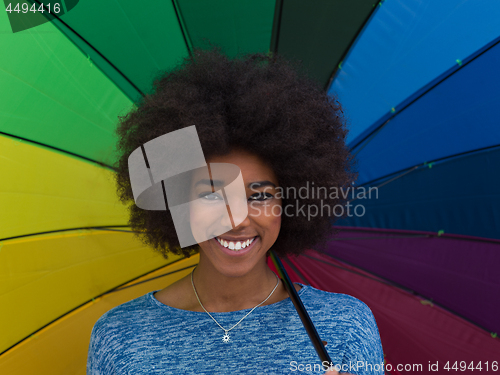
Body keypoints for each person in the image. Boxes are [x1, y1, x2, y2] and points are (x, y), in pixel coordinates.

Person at [86, 46, 385, 374]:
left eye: (259, 196)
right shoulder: (120, 337)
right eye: (212, 195)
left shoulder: (343, 328)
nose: (237, 219)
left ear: (289, 203)